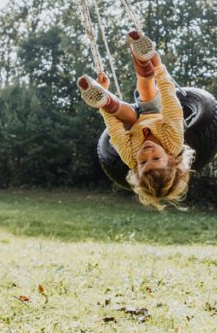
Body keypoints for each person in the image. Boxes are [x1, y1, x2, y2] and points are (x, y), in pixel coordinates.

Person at [78, 30, 195, 210]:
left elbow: (115, 130)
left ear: (135, 168)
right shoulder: (173, 142)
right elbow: (172, 106)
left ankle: (105, 99)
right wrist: (159, 68)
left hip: (133, 122)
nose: (147, 154)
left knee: (122, 114)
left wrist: (104, 95)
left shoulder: (129, 156)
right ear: (171, 160)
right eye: (156, 158)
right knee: (147, 90)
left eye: (142, 162)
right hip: (157, 113)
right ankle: (142, 57)